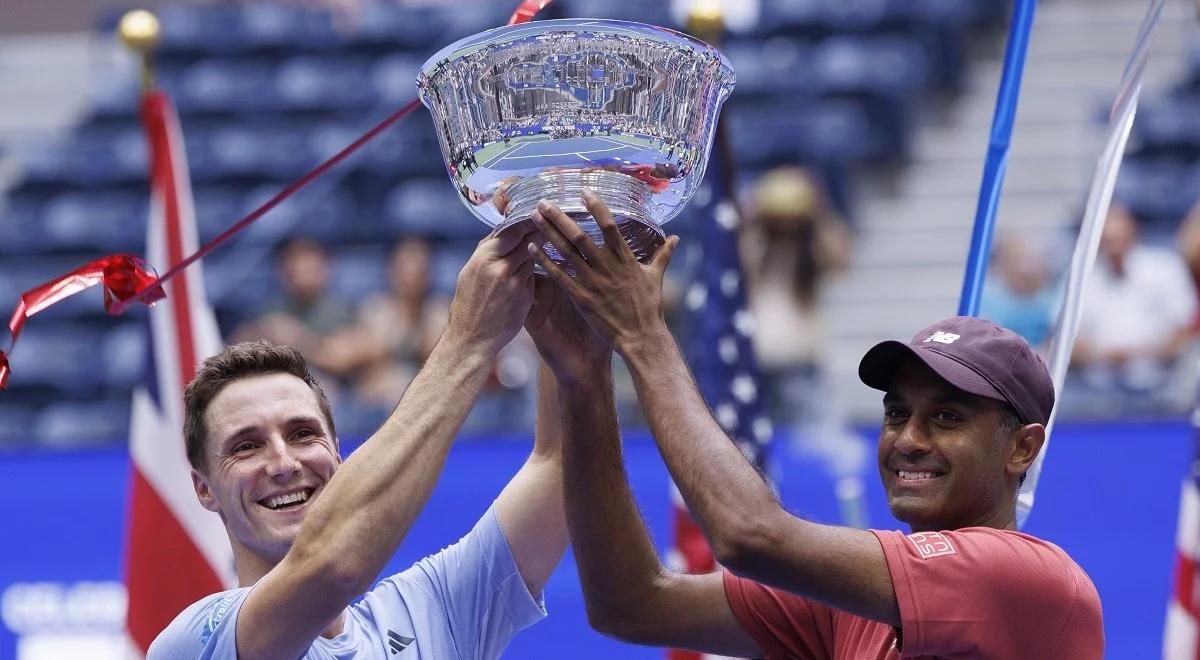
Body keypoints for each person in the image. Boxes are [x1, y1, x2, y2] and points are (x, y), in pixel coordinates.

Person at [524, 192, 1104, 658]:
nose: (908, 439)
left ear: (1022, 449)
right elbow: (630, 604)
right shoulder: (856, 604)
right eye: (897, 412)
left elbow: (750, 536)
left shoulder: (1029, 577)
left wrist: (643, 337)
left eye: (947, 418)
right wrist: (583, 379)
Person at [150, 224, 575, 659]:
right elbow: (332, 568)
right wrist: (468, 342)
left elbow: (561, 468)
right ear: (204, 489)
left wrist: (569, 319)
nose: (282, 463)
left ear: (338, 454)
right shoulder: (194, 641)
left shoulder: (431, 610)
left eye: (302, 434)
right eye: (246, 446)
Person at [1074, 203, 1196, 396]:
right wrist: (1104, 356)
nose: (1113, 245)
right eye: (1107, 239)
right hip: (1096, 389)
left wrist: (1136, 354)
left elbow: (1184, 332)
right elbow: (1068, 342)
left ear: (1133, 231)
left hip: (1162, 381)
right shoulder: (1079, 277)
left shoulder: (1165, 268)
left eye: (1118, 237)